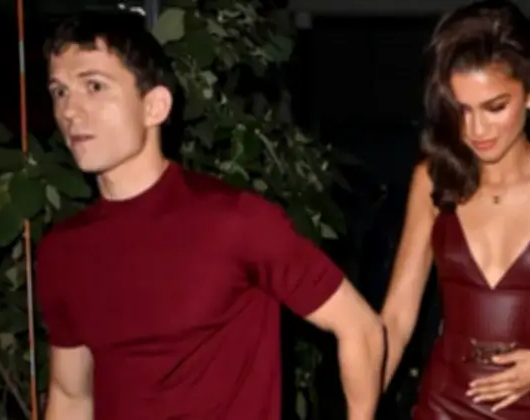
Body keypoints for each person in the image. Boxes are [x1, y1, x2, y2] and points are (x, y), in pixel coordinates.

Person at [35, 11, 384, 420]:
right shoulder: (63, 251)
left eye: (94, 86)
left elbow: (361, 329)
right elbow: (71, 396)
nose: (70, 111)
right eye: (60, 92)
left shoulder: (236, 221)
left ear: (154, 106)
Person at [378, 1, 530, 419]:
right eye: (462, 110)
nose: (476, 130)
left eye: (495, 107)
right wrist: (361, 409)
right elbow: (397, 317)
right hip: (443, 403)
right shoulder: (434, 179)